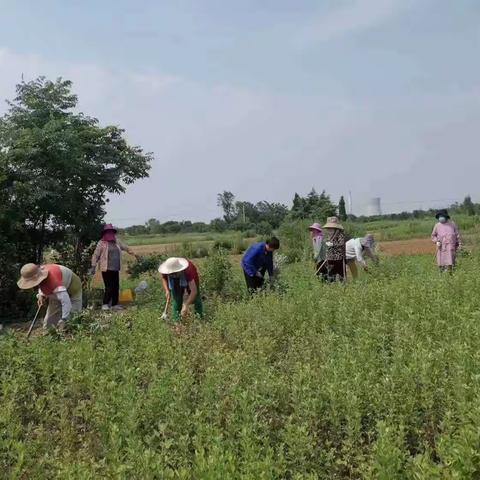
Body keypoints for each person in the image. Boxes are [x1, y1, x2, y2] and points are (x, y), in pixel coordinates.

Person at [17, 263, 82, 329]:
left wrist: (64, 319)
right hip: (57, 289)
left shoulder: (54, 282)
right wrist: (41, 295)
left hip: (72, 288)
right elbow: (41, 285)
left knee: (72, 320)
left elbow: (66, 302)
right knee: (49, 323)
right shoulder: (39, 274)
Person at [91, 224, 138, 311]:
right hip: (106, 268)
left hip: (115, 268)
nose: (110, 233)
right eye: (108, 232)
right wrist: (93, 266)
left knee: (116, 286)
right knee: (109, 287)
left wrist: (134, 254)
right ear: (105, 233)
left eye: (111, 232)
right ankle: (105, 304)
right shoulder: (101, 243)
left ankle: (114, 304)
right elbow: (95, 255)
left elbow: (126, 248)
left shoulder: (116, 241)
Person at [158, 257, 203, 322]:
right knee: (177, 299)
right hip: (176, 281)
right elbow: (164, 278)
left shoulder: (189, 270)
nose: (173, 275)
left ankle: (199, 319)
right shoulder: (167, 270)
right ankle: (176, 321)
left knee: (196, 299)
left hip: (190, 279)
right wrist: (167, 290)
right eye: (171, 274)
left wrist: (186, 305)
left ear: (180, 270)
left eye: (175, 273)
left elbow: (194, 291)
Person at [318, 217, 346, 282]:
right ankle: (331, 285)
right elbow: (326, 242)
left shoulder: (340, 235)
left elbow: (342, 244)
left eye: (331, 229)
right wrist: (326, 243)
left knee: (340, 273)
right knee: (331, 273)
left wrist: (333, 244)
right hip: (330, 258)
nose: (329, 230)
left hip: (338, 258)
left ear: (335, 228)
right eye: (328, 228)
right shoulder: (328, 235)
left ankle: (343, 286)